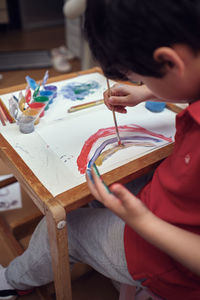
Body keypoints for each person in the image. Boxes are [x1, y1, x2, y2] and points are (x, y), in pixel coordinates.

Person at [0, 0, 200, 299]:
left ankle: (11, 281)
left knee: (69, 228)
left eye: (143, 77)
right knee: (99, 191)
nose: (141, 84)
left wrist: (141, 220)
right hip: (168, 208)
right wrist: (147, 90)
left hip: (170, 261)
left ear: (170, 62)